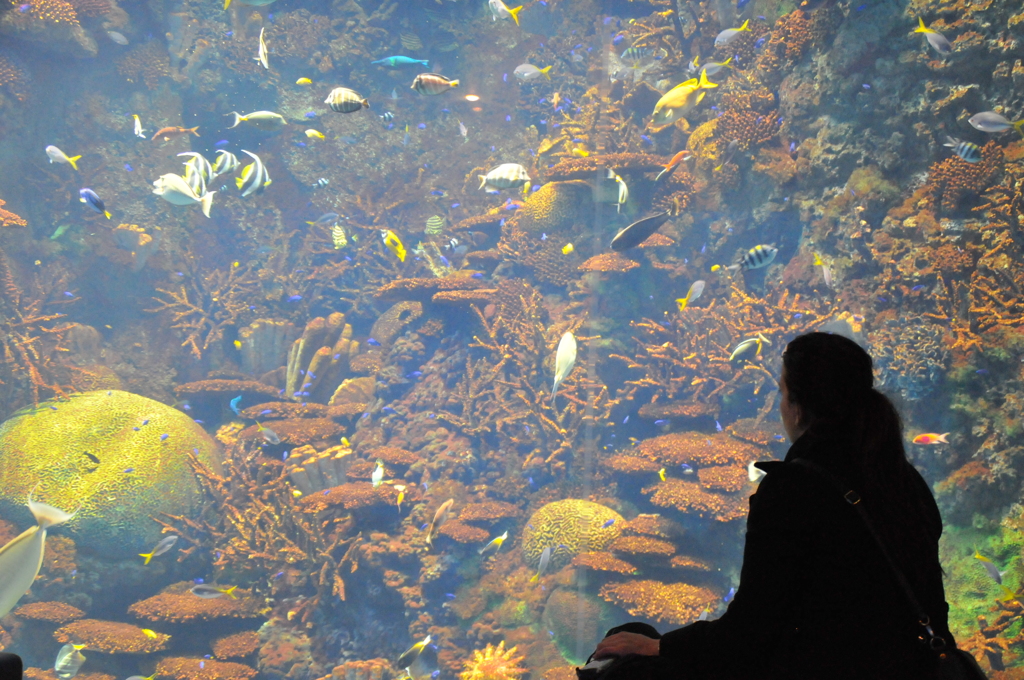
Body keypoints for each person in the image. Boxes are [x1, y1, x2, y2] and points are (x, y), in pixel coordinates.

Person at [590, 332, 955, 679]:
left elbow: (751, 629)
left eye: (782, 392)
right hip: (913, 669)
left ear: (797, 407)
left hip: (824, 670)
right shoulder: (905, 480)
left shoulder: (793, 488)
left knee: (622, 658)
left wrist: (660, 646)